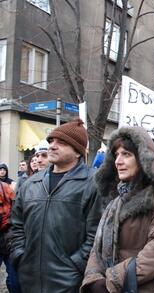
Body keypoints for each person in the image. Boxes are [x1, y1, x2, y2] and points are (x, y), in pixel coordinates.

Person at [81, 126, 154, 293]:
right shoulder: (116, 195)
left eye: (126, 154)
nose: (118, 161)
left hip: (148, 287)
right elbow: (97, 246)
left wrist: (111, 281)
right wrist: (93, 279)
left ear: (143, 158)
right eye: (116, 155)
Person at [10, 118, 102, 293]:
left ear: (77, 152)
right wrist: (20, 256)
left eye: (61, 142)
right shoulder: (32, 183)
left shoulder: (93, 182)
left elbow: (97, 234)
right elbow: (17, 225)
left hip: (71, 281)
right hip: (30, 279)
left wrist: (76, 265)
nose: (52, 146)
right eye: (51, 141)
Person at [0, 181, 21, 293]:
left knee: (14, 280)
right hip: (9, 234)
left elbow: (16, 209)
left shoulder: (6, 188)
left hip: (8, 236)